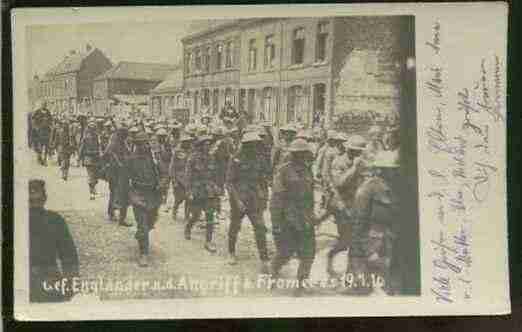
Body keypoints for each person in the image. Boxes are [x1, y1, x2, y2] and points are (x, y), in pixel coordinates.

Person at [270, 138, 318, 296]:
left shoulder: (307, 170)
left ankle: (301, 283)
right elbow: (277, 198)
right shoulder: (283, 171)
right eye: (298, 153)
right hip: (288, 218)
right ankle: (274, 271)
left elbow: (310, 195)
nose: (301, 156)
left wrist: (312, 213)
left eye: (303, 153)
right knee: (285, 251)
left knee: (309, 252)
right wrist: (276, 222)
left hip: (305, 218)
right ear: (293, 154)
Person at [321, 134, 367, 277]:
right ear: (349, 149)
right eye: (355, 151)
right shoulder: (339, 162)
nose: (358, 154)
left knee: (354, 241)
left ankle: (350, 273)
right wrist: (354, 168)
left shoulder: (361, 163)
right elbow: (339, 183)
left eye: (360, 151)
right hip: (341, 206)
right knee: (347, 241)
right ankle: (331, 257)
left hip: (355, 206)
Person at [29, 179, 79, 302]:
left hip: (47, 282)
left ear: (44, 199)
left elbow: (69, 257)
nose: (34, 205)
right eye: (31, 201)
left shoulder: (55, 220)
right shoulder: (55, 220)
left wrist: (69, 284)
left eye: (37, 201)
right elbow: (69, 257)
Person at [226, 131, 270, 271]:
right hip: (239, 199)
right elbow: (229, 183)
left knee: (260, 228)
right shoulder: (236, 159)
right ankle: (231, 252)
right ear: (245, 145)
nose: (254, 147)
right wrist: (237, 200)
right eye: (251, 145)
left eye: (256, 145)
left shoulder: (259, 159)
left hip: (254, 199)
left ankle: (264, 259)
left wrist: (264, 198)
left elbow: (263, 180)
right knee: (234, 227)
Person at [127, 131, 161, 267]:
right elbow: (125, 180)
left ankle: (142, 234)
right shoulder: (131, 159)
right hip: (138, 194)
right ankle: (144, 254)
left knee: (151, 222)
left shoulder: (153, 158)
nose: (144, 146)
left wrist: (161, 184)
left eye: (145, 143)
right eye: (140, 144)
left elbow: (163, 173)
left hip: (152, 193)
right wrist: (129, 197)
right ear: (136, 145)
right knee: (142, 224)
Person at [184, 134, 220, 253]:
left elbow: (214, 174)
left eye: (209, 144)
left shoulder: (211, 157)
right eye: (206, 144)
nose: (208, 146)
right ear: (200, 146)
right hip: (197, 190)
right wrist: (188, 191)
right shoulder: (192, 158)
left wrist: (216, 186)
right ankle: (188, 227)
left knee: (210, 215)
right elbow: (188, 176)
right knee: (196, 215)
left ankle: (208, 241)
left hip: (209, 190)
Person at [101, 127, 133, 227]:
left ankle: (113, 213)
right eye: (124, 136)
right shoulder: (113, 143)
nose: (125, 138)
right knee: (119, 193)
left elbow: (128, 154)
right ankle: (117, 216)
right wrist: (114, 160)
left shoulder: (122, 143)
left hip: (121, 172)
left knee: (116, 193)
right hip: (115, 172)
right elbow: (105, 155)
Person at [169, 133, 194, 222]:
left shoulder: (192, 151)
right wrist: (174, 180)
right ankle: (174, 212)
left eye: (189, 141)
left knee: (188, 199)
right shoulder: (177, 151)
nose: (187, 143)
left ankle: (187, 215)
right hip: (179, 179)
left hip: (188, 179)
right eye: (186, 142)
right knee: (178, 199)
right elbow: (172, 167)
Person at [78, 119, 101, 200]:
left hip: (96, 158)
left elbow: (99, 147)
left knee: (95, 175)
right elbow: (81, 147)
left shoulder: (97, 136)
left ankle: (93, 188)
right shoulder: (86, 137)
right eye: (91, 127)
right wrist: (79, 158)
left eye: (94, 127)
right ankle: (91, 192)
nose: (93, 128)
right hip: (88, 158)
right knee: (91, 175)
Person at [154, 127, 173, 210]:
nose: (162, 138)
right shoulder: (156, 145)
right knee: (159, 184)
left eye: (163, 136)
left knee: (166, 185)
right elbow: (156, 157)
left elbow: (170, 156)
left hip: (166, 166)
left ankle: (164, 200)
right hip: (158, 167)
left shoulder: (168, 145)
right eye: (160, 136)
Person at [31, 100, 53, 166]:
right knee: (39, 146)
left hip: (47, 131)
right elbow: (33, 120)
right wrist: (36, 127)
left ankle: (45, 159)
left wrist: (50, 125)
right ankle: (39, 157)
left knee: (47, 146)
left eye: (45, 104)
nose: (44, 105)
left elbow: (51, 119)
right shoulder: (37, 111)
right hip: (39, 131)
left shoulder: (48, 112)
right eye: (43, 104)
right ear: (41, 105)